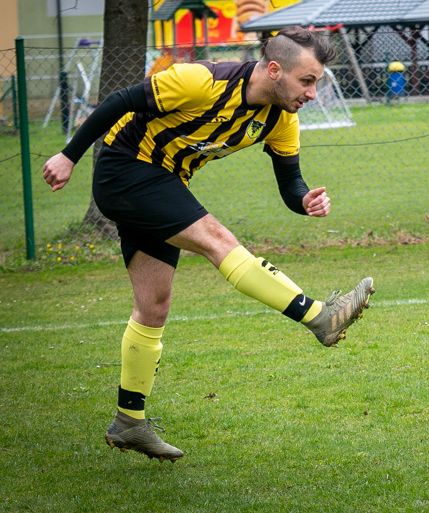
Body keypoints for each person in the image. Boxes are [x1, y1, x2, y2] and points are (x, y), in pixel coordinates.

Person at [42, 27, 376, 462]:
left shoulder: (280, 118)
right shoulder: (201, 80)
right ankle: (319, 317)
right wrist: (69, 155)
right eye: (307, 80)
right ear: (274, 70)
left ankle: (129, 422)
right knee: (219, 240)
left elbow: (290, 182)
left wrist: (305, 199)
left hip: (162, 181)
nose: (312, 93)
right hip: (125, 170)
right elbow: (119, 101)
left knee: (153, 307)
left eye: (316, 82)